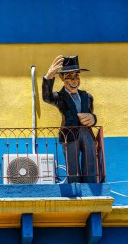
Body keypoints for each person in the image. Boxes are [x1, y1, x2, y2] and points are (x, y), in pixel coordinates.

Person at [42, 55, 98, 183]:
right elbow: (47, 97)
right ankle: (74, 187)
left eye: (76, 76)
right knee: (72, 164)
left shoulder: (87, 96)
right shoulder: (60, 97)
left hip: (87, 134)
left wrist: (93, 119)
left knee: (90, 160)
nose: (74, 81)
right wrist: (48, 77)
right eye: (69, 77)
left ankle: (91, 185)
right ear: (62, 78)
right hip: (69, 134)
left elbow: (91, 115)